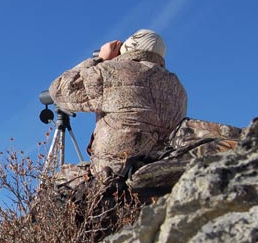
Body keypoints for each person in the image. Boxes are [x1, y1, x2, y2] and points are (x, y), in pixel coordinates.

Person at [48, 29, 187, 179]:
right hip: (157, 174)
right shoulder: (178, 88)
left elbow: (59, 90)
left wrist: (100, 59)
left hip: (112, 174)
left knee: (56, 182)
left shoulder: (111, 71)